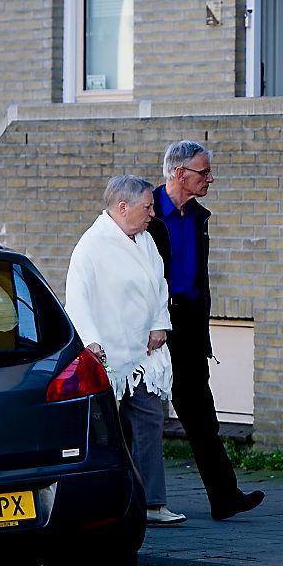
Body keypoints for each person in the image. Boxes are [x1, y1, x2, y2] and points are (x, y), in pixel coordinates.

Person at [147, 140, 265, 521]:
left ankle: (224, 498)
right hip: (151, 328)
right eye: (204, 172)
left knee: (201, 413)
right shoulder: (145, 210)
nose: (210, 178)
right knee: (140, 416)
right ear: (179, 173)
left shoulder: (198, 216)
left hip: (190, 323)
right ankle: (139, 501)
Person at [65, 175, 186, 525]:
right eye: (147, 206)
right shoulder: (92, 245)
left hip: (143, 354)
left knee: (149, 420)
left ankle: (153, 503)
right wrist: (90, 340)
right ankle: (103, 504)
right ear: (123, 207)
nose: (152, 213)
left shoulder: (145, 240)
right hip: (107, 355)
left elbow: (159, 285)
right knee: (106, 433)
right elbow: (78, 297)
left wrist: (159, 323)